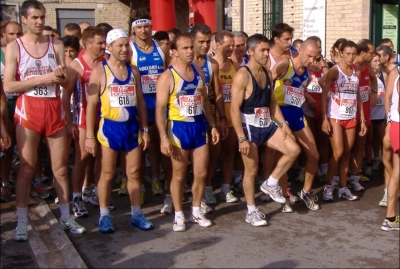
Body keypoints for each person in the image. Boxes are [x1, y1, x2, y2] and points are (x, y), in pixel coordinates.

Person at [4, 0, 86, 241]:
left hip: (54, 108)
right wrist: (43, 78)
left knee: (60, 168)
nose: (40, 22)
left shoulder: (56, 44)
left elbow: (61, 80)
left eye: (42, 17)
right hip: (29, 109)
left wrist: (60, 79)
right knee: (27, 168)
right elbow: (9, 85)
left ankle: (65, 216)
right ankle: (21, 223)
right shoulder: (14, 47)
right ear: (25, 20)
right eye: (35, 18)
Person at [85, 28, 153, 233]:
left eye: (126, 45)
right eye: (120, 45)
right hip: (110, 128)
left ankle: (136, 214)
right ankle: (104, 216)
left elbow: (140, 100)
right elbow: (90, 105)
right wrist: (89, 135)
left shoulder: (133, 71)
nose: (124, 49)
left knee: (133, 172)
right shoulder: (99, 71)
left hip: (131, 126)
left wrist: (146, 128)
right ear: (109, 47)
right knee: (107, 173)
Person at [230, 34, 300, 225]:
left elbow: (272, 102)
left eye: (268, 50)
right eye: (262, 50)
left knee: (293, 150)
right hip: (249, 128)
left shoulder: (268, 73)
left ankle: (270, 183)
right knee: (251, 170)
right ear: (251, 52)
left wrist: (283, 123)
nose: (266, 54)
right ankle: (251, 211)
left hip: (267, 125)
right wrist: (241, 138)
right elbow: (234, 109)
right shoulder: (242, 75)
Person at [155, 33, 220, 232]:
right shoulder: (167, 76)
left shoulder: (200, 73)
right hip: (178, 128)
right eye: (185, 48)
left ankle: (196, 210)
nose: (190, 51)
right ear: (173, 51)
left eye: (191, 47)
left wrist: (213, 125)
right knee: (179, 175)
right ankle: (178, 215)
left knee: (201, 173)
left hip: (199, 127)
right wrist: (163, 138)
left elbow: (206, 103)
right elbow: (159, 109)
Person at [271, 39, 320, 210]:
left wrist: (307, 96)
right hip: (280, 114)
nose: (311, 61)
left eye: (315, 57)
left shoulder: (307, 72)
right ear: (300, 50)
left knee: (313, 155)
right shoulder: (285, 65)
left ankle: (306, 192)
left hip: (297, 114)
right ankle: (284, 196)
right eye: (309, 56)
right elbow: (266, 83)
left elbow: (299, 89)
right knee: (285, 156)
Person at [63, 26, 106, 218]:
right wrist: (69, 123)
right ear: (88, 45)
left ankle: (97, 193)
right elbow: (65, 97)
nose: (104, 46)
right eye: (100, 43)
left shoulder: (105, 63)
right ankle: (76, 198)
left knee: (102, 159)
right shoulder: (76, 66)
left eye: (104, 42)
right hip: (82, 120)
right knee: (82, 159)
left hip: (103, 118)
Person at [130, 9, 170, 199]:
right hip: (139, 102)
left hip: (159, 103)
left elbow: (169, 72)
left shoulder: (161, 48)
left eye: (146, 26)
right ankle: (135, 181)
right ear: (133, 30)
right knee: (137, 146)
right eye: (139, 27)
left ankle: (155, 177)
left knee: (155, 144)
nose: (143, 30)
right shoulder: (129, 49)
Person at [321, 40, 367, 201]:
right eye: (348, 53)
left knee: (347, 152)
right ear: (341, 53)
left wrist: (362, 119)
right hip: (336, 116)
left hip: (351, 117)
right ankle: (328, 186)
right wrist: (324, 118)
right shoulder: (335, 71)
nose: (351, 57)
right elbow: (323, 91)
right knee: (338, 152)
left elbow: (359, 96)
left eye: (354, 53)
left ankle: (343, 187)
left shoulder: (356, 71)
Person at [190, 24, 228, 205]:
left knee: (213, 152)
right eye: (201, 42)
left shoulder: (212, 64)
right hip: (185, 116)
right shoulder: (183, 61)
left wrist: (222, 118)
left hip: (208, 113)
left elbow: (218, 93)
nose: (205, 46)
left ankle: (206, 187)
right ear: (192, 41)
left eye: (208, 42)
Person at [212, 30, 242, 200]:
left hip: (231, 118)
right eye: (228, 45)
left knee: (229, 153)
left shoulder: (235, 67)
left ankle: (225, 187)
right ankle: (207, 189)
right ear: (217, 44)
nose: (232, 48)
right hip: (215, 118)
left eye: (233, 45)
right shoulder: (210, 65)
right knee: (213, 155)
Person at [301, 36, 330, 183]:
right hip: (308, 105)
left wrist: (323, 64)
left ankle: (324, 168)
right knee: (310, 139)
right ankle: (310, 168)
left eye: (319, 47)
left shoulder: (324, 65)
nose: (317, 51)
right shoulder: (305, 65)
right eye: (315, 47)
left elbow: (328, 81)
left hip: (322, 103)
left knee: (323, 138)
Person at [349, 39, 378, 185]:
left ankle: (355, 175)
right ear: (362, 53)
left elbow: (373, 80)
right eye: (371, 52)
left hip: (365, 112)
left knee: (360, 144)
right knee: (348, 146)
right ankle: (343, 175)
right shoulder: (351, 67)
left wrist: (373, 92)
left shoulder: (367, 67)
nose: (374, 55)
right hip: (350, 113)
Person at [0, 21, 23, 202]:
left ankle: (32, 181)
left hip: (24, 105)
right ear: (4, 35)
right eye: (11, 34)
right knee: (7, 149)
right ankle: (5, 183)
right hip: (6, 107)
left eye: (18, 34)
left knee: (29, 149)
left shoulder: (26, 50)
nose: (15, 37)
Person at [381, 65, 400, 231]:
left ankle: (391, 217)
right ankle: (390, 217)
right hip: (398, 126)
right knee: (396, 172)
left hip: (395, 125)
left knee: (396, 172)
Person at [364, 53, 387, 176]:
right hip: (370, 114)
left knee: (383, 140)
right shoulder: (367, 76)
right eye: (375, 61)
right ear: (369, 62)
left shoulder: (384, 75)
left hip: (381, 113)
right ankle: (369, 163)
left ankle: (384, 163)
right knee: (370, 139)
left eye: (379, 60)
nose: (378, 63)